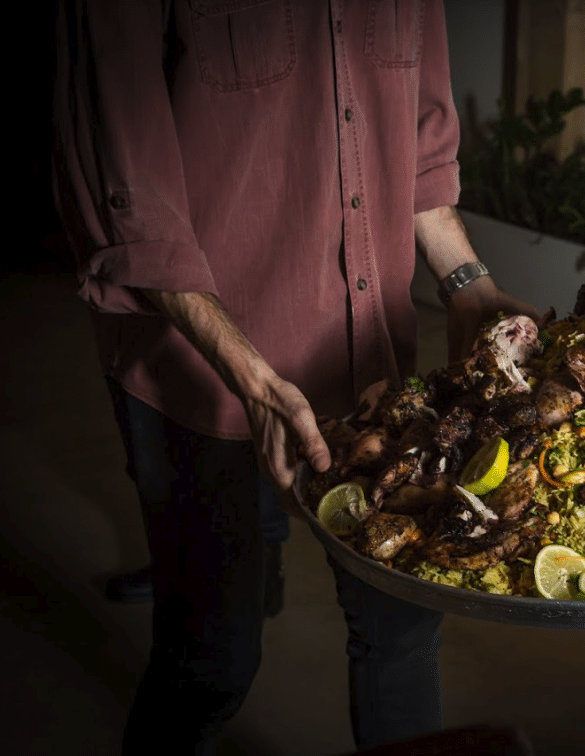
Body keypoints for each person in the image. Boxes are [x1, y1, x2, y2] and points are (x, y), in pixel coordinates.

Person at [52, 1, 538, 753]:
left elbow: (421, 143)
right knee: (212, 654)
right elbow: (128, 201)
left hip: (371, 362)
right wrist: (250, 377)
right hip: (200, 375)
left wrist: (467, 282)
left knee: (402, 630)